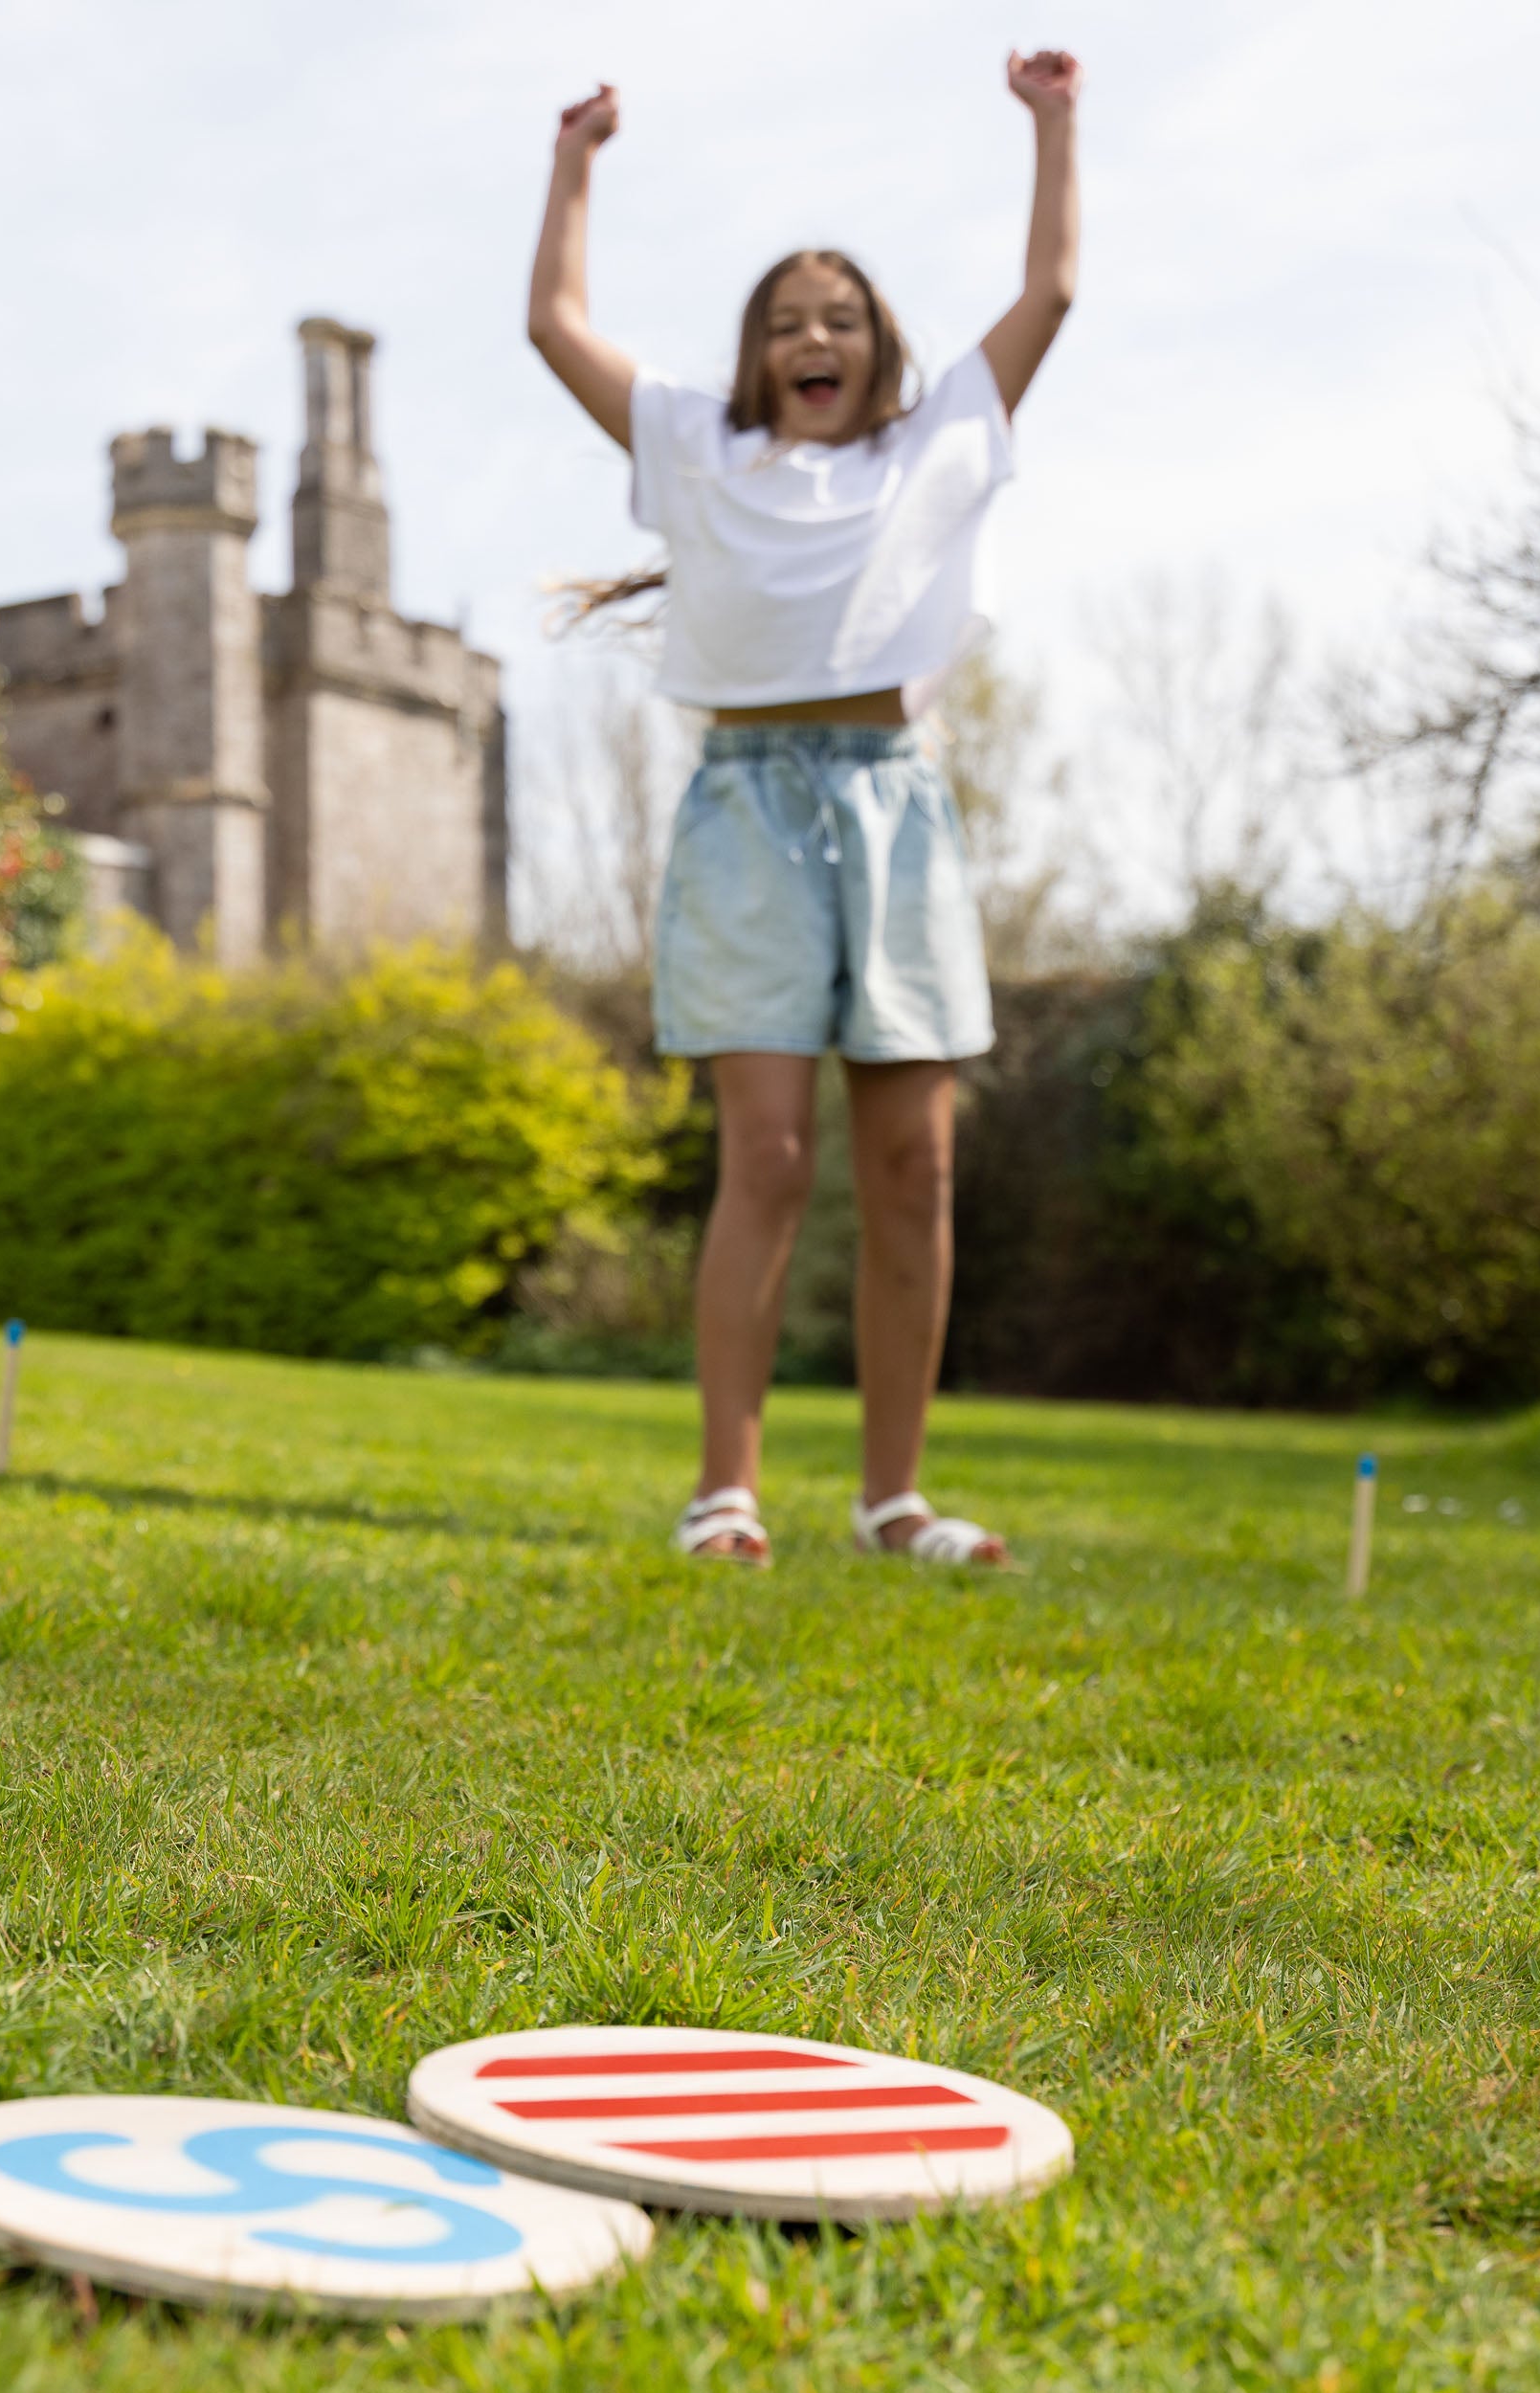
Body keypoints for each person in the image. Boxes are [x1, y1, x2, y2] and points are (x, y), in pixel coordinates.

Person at [527, 50, 1082, 1568]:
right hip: (747, 809)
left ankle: (893, 1498)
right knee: (766, 1156)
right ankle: (728, 1493)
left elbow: (1051, 293)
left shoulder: (938, 445)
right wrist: (578, 157)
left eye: (838, 319)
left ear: (876, 344)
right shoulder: (699, 451)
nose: (813, 338)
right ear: (757, 357)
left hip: (895, 806)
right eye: (786, 323)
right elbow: (553, 325)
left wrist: (1054, 123)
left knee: (916, 1163)